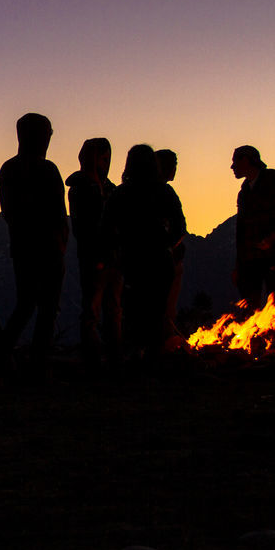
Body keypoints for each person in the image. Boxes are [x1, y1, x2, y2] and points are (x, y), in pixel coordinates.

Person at [0, 113, 68, 379]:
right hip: (47, 249)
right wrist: (59, 243)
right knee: (47, 308)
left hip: (22, 248)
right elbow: (59, 214)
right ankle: (37, 364)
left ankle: (0, 358)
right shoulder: (47, 170)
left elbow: (10, 213)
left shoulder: (8, 170)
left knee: (26, 304)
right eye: (48, 133)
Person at [101, 144, 176, 364]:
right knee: (157, 310)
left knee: (134, 311)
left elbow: (105, 228)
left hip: (133, 262)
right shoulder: (164, 192)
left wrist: (118, 248)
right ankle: (155, 359)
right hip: (161, 261)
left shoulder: (120, 194)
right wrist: (167, 244)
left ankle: (134, 359)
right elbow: (180, 226)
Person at [66, 137, 119, 375]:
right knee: (93, 309)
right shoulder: (80, 187)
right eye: (101, 157)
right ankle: (95, 362)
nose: (105, 162)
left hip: (113, 258)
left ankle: (114, 360)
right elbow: (82, 227)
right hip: (94, 257)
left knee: (113, 309)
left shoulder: (109, 188)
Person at [231, 145, 275, 311]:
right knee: (251, 306)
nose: (232, 167)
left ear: (246, 160)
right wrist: (238, 265)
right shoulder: (244, 191)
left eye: (235, 162)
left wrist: (273, 237)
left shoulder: (274, 179)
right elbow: (241, 229)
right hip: (250, 258)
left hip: (273, 254)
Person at [156, 149, 187, 341]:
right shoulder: (165, 192)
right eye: (173, 164)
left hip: (138, 260)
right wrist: (168, 248)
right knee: (165, 309)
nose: (175, 168)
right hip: (165, 261)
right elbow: (180, 227)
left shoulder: (130, 190)